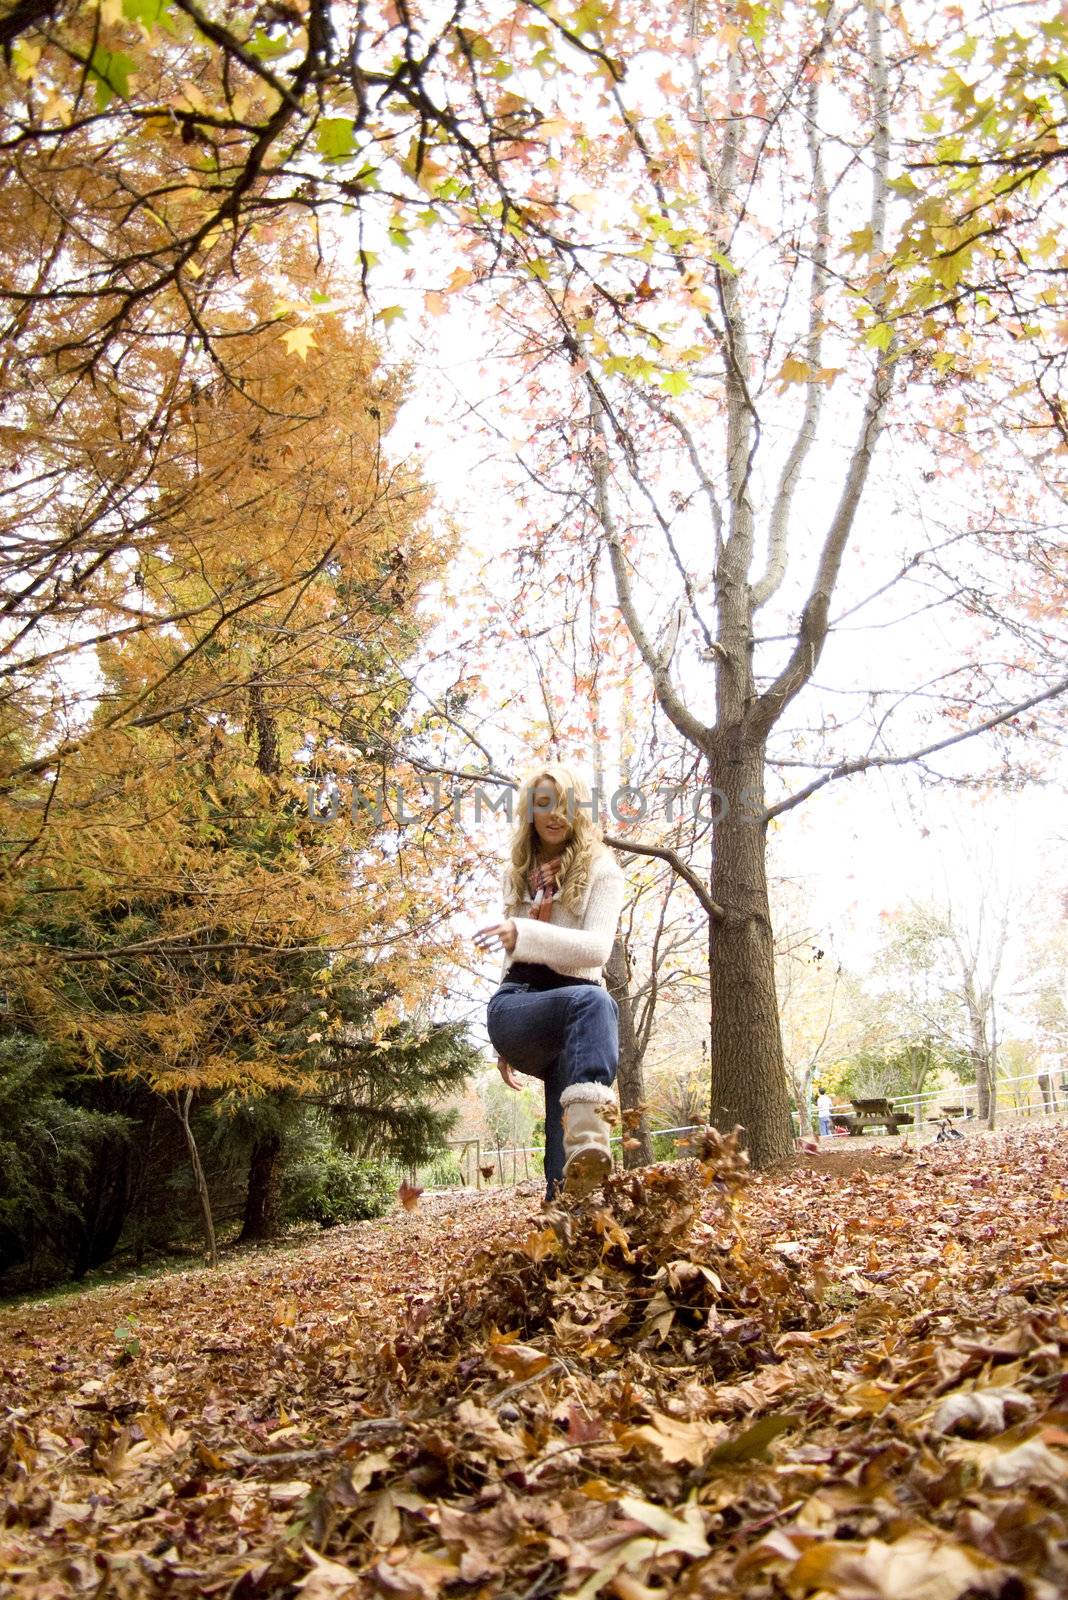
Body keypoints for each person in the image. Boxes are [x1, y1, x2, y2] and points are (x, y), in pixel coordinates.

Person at [474, 763, 626, 1202]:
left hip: (575, 1015)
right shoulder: (518, 873)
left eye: (563, 804)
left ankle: (574, 1195)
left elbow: (596, 952)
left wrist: (525, 934)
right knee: (594, 1004)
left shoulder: (603, 871)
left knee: (594, 1006)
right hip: (519, 1002)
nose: (553, 814)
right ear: (530, 812)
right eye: (543, 804)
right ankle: (585, 1148)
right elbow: (511, 960)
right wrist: (502, 1047)